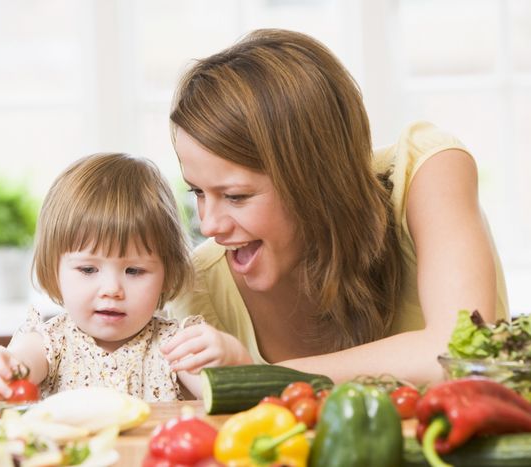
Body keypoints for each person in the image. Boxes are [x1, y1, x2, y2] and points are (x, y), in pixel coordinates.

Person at [161, 29, 509, 385]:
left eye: (235, 196)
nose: (209, 226)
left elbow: (462, 354)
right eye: (197, 192)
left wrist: (261, 378)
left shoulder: (427, 173)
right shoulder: (203, 288)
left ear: (315, 180)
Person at [0, 153, 251, 402]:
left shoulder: (173, 346)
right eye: (88, 270)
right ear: (54, 270)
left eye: (134, 271)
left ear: (167, 275)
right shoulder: (51, 342)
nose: (112, 290)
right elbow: (18, 366)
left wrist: (233, 357)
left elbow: (229, 396)